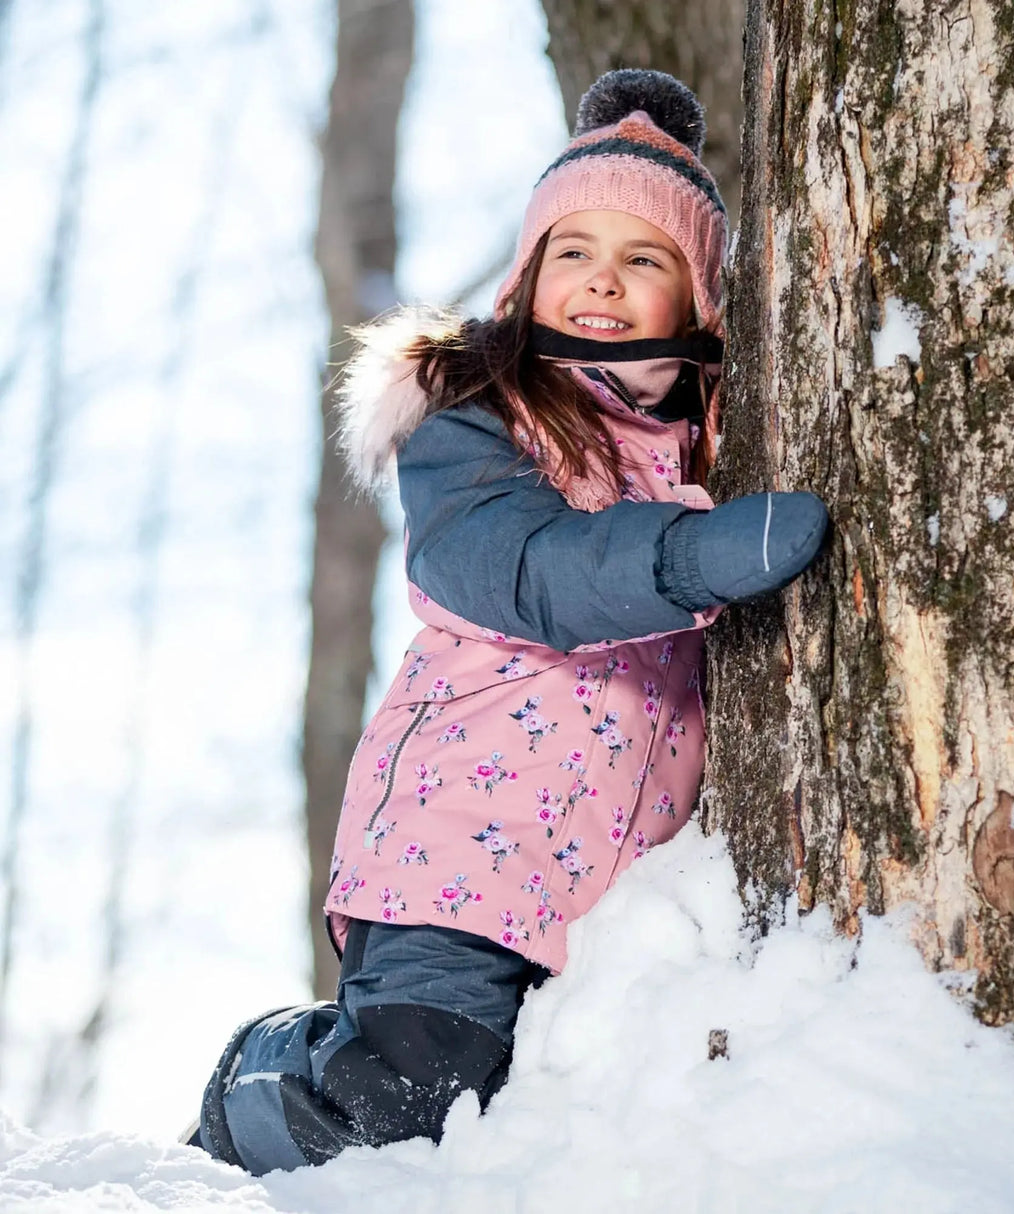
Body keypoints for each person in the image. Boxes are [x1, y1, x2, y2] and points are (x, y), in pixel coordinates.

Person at [189, 68, 828, 1175]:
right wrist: (687, 555)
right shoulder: (478, 422)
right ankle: (256, 1077)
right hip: (453, 854)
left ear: (698, 295)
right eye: (571, 252)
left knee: (519, 1134)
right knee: (407, 1100)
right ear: (526, 272)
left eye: (643, 259)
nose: (601, 281)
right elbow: (525, 570)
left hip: (604, 900)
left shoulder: (708, 443)